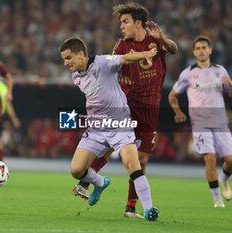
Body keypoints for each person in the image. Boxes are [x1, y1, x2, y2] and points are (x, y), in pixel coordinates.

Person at [73, 2, 178, 219]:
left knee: (142, 159)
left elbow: (174, 50)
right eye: (121, 22)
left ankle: (130, 207)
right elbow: (110, 67)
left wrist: (162, 38)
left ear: (138, 23)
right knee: (115, 146)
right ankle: (87, 181)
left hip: (150, 108)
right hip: (127, 104)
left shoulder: (155, 41)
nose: (121, 26)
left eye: (125, 22)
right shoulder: (121, 46)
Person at [59, 37, 159, 221]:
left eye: (68, 58)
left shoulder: (103, 63)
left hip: (120, 125)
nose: (65, 63)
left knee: (133, 166)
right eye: (64, 59)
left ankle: (149, 209)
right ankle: (100, 183)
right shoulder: (76, 77)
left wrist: (147, 54)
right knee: (76, 170)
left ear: (81, 54)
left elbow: (125, 59)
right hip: (96, 128)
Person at [168, 35, 232, 208]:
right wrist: (177, 111)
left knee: (231, 160)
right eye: (197, 48)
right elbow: (172, 95)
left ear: (210, 50)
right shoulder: (188, 73)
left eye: (203, 48)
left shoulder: (220, 70)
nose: (201, 51)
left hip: (221, 123)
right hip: (200, 123)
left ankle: (224, 180)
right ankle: (217, 199)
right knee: (210, 158)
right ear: (194, 52)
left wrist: (230, 84)